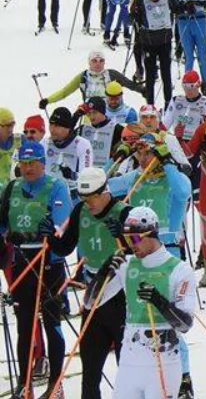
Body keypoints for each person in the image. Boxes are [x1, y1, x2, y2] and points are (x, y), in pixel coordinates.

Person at [87, 207, 197, 399]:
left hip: (164, 362)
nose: (131, 244)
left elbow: (185, 324)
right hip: (130, 363)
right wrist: (103, 273)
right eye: (128, 238)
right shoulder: (127, 265)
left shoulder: (179, 270)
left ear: (152, 234)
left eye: (136, 238)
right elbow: (90, 303)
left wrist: (159, 301)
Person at [45, 167, 130, 399]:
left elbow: (142, 255)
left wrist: (123, 235)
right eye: (83, 197)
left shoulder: (124, 212)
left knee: (128, 369)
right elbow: (66, 247)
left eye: (92, 197)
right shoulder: (81, 210)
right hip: (94, 298)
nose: (88, 203)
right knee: (90, 370)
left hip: (122, 296)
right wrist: (50, 238)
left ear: (105, 191)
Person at [0, 141, 72, 398]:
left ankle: (56, 384)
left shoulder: (56, 186)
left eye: (33, 163)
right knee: (25, 325)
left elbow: (63, 224)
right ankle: (25, 383)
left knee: (52, 323)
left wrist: (45, 235)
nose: (28, 168)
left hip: (48, 262)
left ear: (43, 162)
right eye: (24, 163)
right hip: (20, 261)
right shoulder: (11, 188)